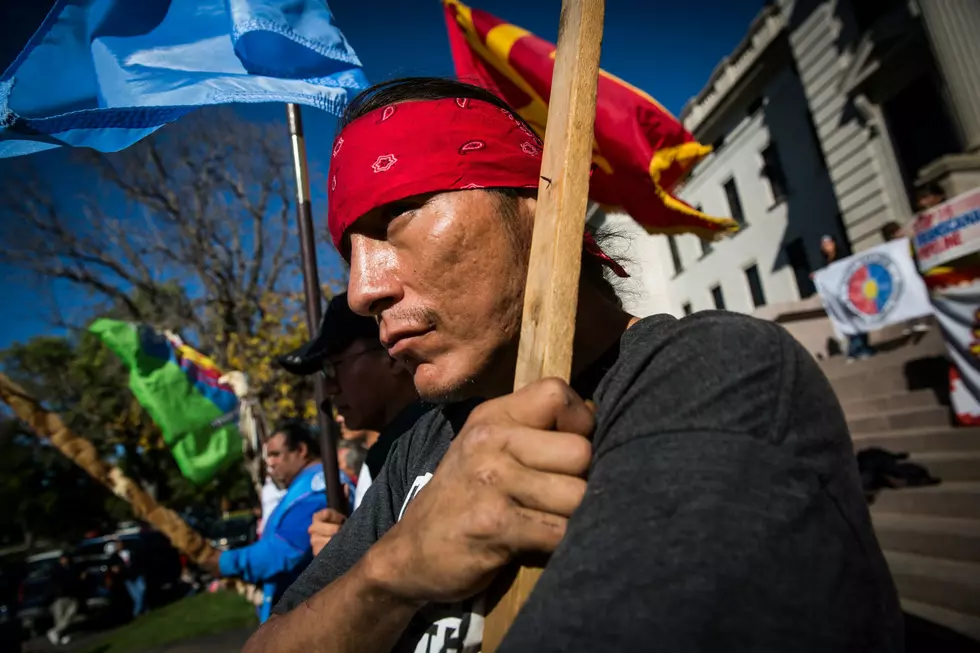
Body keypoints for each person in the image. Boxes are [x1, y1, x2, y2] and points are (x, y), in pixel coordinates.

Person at [244, 78, 902, 653]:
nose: (361, 290)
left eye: (397, 215)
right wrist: (391, 571)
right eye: (349, 251)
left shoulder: (715, 374)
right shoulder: (424, 440)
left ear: (540, 208)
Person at [278, 291, 424, 554]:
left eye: (334, 367)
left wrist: (351, 555)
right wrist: (351, 539)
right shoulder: (388, 452)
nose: (329, 388)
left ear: (391, 353)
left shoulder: (430, 442)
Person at [200, 421, 353, 623]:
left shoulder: (319, 489)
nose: (269, 463)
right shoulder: (305, 486)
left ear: (301, 450)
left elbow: (283, 551)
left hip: (307, 617)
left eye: (275, 454)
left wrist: (224, 562)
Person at [820, 234, 876, 361]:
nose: (826, 247)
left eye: (828, 244)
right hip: (839, 299)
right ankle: (855, 349)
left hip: (852, 294)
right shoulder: (826, 262)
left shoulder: (843, 257)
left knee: (858, 320)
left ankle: (862, 348)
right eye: (824, 245)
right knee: (847, 322)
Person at [47, 554, 83, 646]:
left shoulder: (71, 568)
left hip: (70, 596)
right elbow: (55, 583)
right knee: (60, 617)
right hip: (60, 597)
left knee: (69, 615)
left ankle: (57, 632)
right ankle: (59, 635)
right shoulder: (57, 570)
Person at [114, 539, 146, 619]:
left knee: (142, 590)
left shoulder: (130, 552)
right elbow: (113, 567)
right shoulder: (115, 557)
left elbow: (138, 561)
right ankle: (144, 610)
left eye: (120, 544)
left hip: (136, 574)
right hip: (127, 578)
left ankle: (136, 612)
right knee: (136, 596)